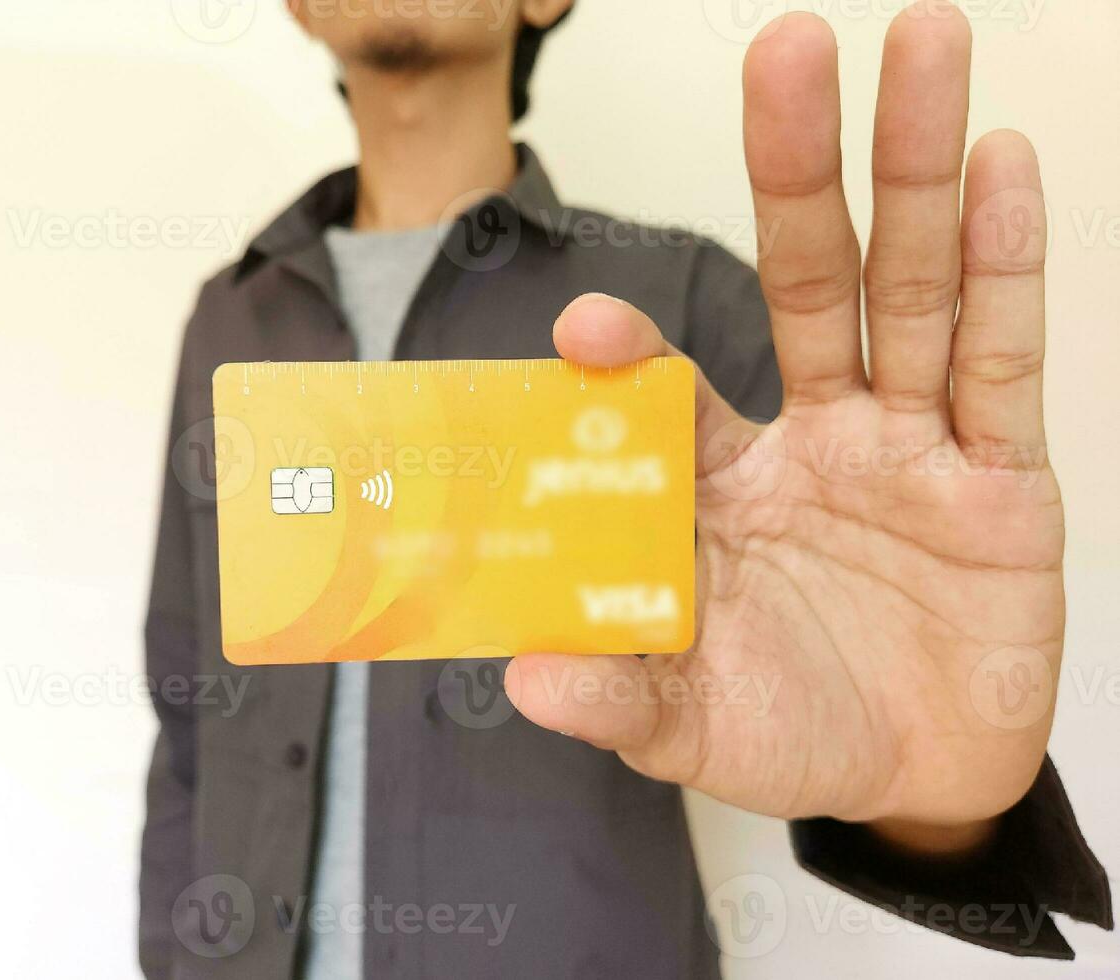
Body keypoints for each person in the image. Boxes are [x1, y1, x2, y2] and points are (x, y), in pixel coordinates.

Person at [140, 1, 1111, 976]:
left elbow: (860, 669)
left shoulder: (682, 302)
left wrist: (929, 792)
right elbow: (185, 696)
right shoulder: (229, 320)